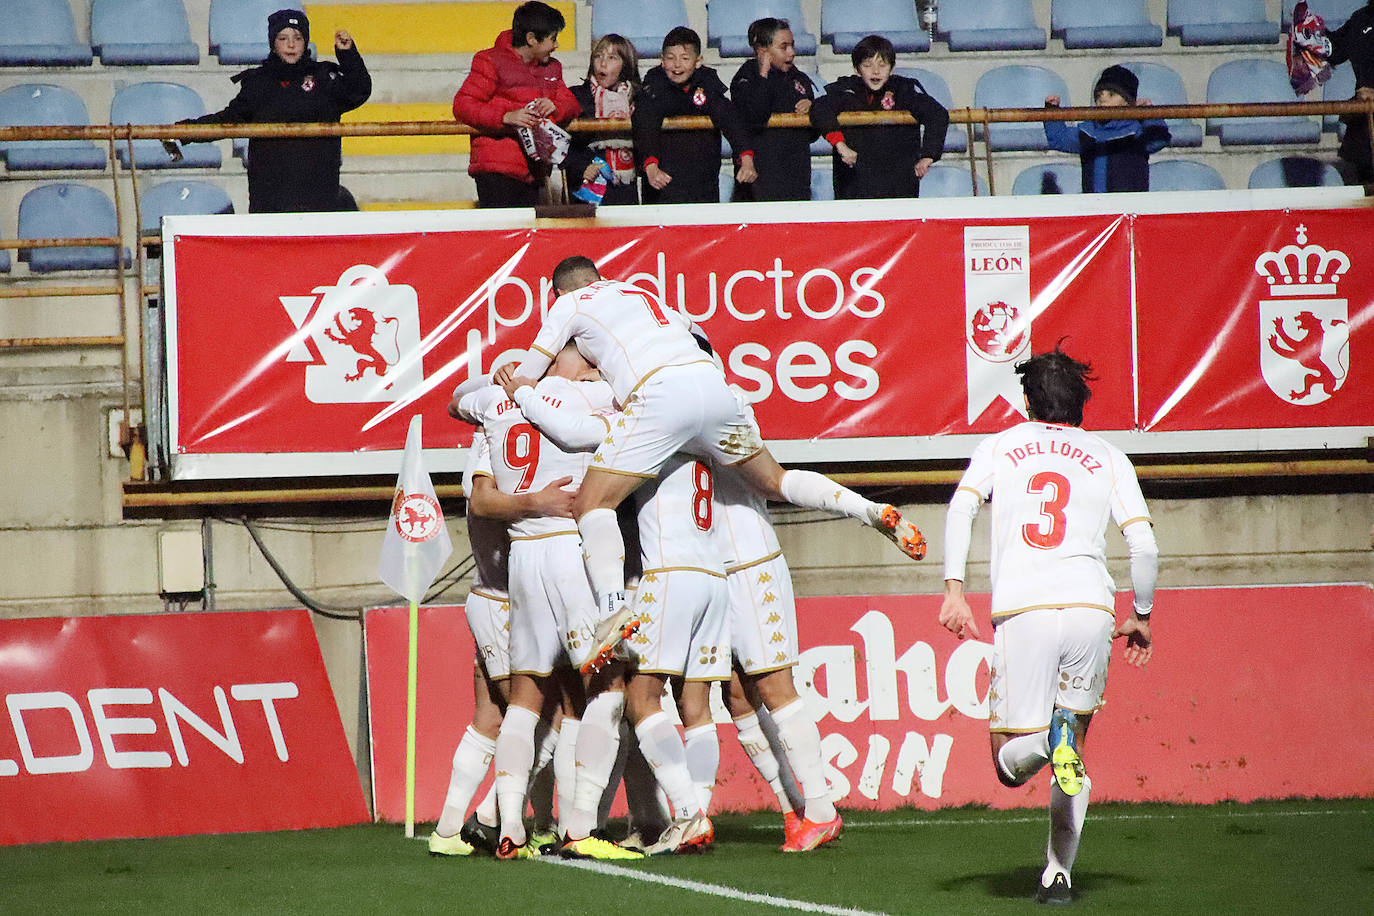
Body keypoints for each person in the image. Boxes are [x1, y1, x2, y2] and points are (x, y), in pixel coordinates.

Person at [498, 255, 927, 681]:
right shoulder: (647, 295)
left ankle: (611, 612)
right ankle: (866, 509)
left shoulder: (568, 304)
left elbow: (531, 374)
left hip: (660, 397)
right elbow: (696, 334)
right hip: (713, 390)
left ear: (558, 292)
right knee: (775, 481)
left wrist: (517, 387)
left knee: (592, 503)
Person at [938, 346, 1158, 906]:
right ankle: (1058, 873)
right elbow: (1144, 543)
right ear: (1081, 401)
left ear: (1028, 399)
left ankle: (1043, 741)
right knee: (1074, 752)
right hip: (1091, 609)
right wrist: (1143, 614)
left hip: (1025, 609)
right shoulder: (1110, 456)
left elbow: (961, 508)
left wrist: (954, 589)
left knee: (1008, 767)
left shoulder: (1000, 446)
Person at [427, 434, 574, 857]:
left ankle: (449, 829)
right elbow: (483, 502)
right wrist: (539, 503)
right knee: (550, 716)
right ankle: (496, 819)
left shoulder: (498, 437)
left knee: (490, 718)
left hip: (500, 599)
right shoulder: (497, 438)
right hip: (505, 602)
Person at [176, 9, 371, 213]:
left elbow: (359, 90)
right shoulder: (257, 83)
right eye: (283, 38)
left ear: (306, 41)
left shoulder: (324, 77)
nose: (291, 44)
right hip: (270, 200)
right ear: (273, 42)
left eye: (298, 37)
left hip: (319, 198)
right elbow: (228, 120)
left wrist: (348, 55)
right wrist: (183, 131)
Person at [452, 1, 580, 208]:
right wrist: (505, 116)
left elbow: (571, 102)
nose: (556, 46)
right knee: (502, 235)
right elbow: (463, 105)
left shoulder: (552, 68)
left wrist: (555, 106)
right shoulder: (489, 61)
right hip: (497, 170)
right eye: (552, 39)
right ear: (531, 39)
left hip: (534, 169)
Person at [810, 34, 948, 200]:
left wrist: (927, 156)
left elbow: (937, 114)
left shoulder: (903, 91)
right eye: (867, 65)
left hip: (899, 189)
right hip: (854, 189)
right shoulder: (845, 91)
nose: (876, 71)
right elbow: (819, 108)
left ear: (892, 68)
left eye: (882, 65)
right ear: (857, 68)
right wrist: (841, 145)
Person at [632, 27, 755, 204]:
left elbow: (730, 118)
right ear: (662, 61)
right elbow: (645, 124)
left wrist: (746, 158)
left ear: (698, 62)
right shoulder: (654, 85)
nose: (677, 65)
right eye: (670, 58)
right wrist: (651, 166)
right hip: (662, 183)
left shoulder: (707, 83)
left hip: (703, 184)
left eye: (684, 58)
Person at [729, 18, 818, 202]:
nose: (792, 53)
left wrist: (812, 109)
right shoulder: (746, 78)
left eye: (792, 46)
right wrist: (763, 74)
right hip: (760, 181)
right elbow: (755, 116)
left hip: (796, 178)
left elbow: (813, 134)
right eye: (783, 47)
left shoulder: (798, 79)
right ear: (763, 51)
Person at [1043, 65, 1170, 193]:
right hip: (1096, 204)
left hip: (1131, 206)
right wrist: (1052, 111)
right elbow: (1059, 139)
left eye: (1111, 94)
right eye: (1098, 96)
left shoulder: (1136, 132)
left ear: (1127, 102)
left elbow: (1159, 139)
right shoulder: (1088, 132)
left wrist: (1148, 113)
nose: (1102, 99)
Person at [565, 34, 641, 206]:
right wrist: (581, 167)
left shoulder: (637, 98)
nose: (603, 63)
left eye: (612, 57)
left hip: (625, 192)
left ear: (626, 65)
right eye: (598, 56)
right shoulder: (576, 95)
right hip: (587, 190)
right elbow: (562, 143)